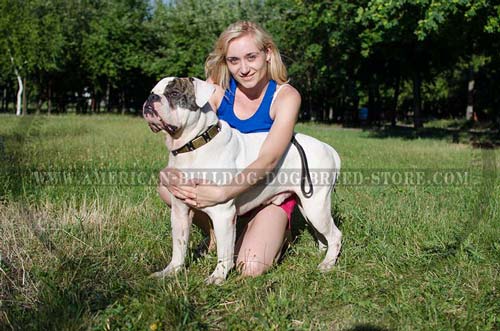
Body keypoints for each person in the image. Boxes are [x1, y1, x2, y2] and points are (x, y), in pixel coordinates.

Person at [157, 21, 301, 277]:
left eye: (251, 57)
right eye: (234, 60)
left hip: (268, 191)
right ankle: (217, 232)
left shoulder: (286, 96)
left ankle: (275, 231)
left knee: (251, 267)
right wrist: (170, 170)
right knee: (169, 186)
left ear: (268, 53)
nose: (243, 69)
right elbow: (188, 132)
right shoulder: (217, 88)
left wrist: (223, 192)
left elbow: (269, 159)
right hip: (224, 190)